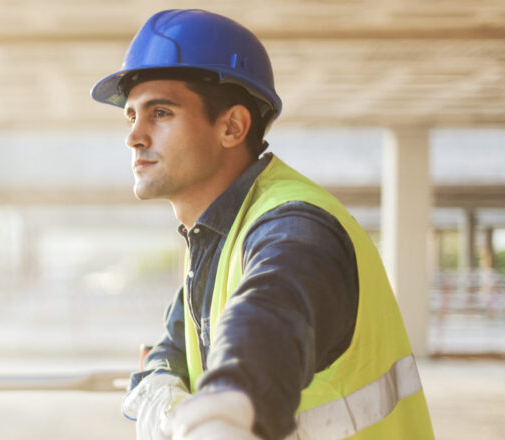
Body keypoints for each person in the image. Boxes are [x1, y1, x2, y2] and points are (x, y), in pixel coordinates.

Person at [89, 9, 434, 440]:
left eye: (160, 113)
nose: (134, 136)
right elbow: (179, 341)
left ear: (232, 126)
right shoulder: (216, 234)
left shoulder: (297, 229)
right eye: (131, 116)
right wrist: (159, 380)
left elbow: (270, 315)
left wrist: (226, 408)